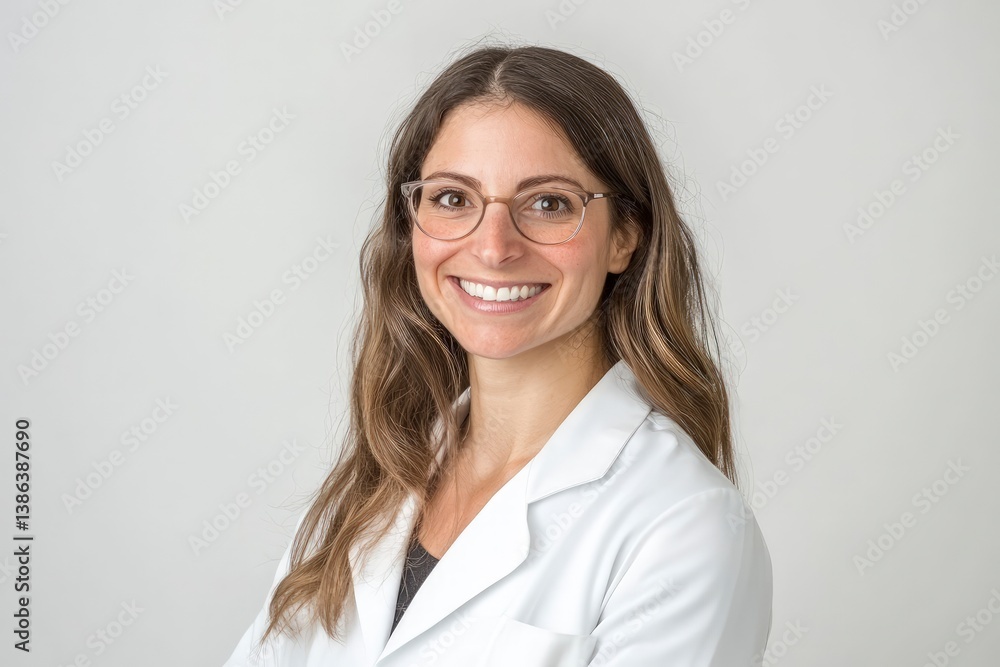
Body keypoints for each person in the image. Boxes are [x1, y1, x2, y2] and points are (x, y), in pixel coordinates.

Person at [222, 41, 772, 667]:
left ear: (624, 236)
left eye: (548, 203)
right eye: (453, 198)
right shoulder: (370, 488)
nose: (492, 247)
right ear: (412, 224)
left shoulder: (683, 525)